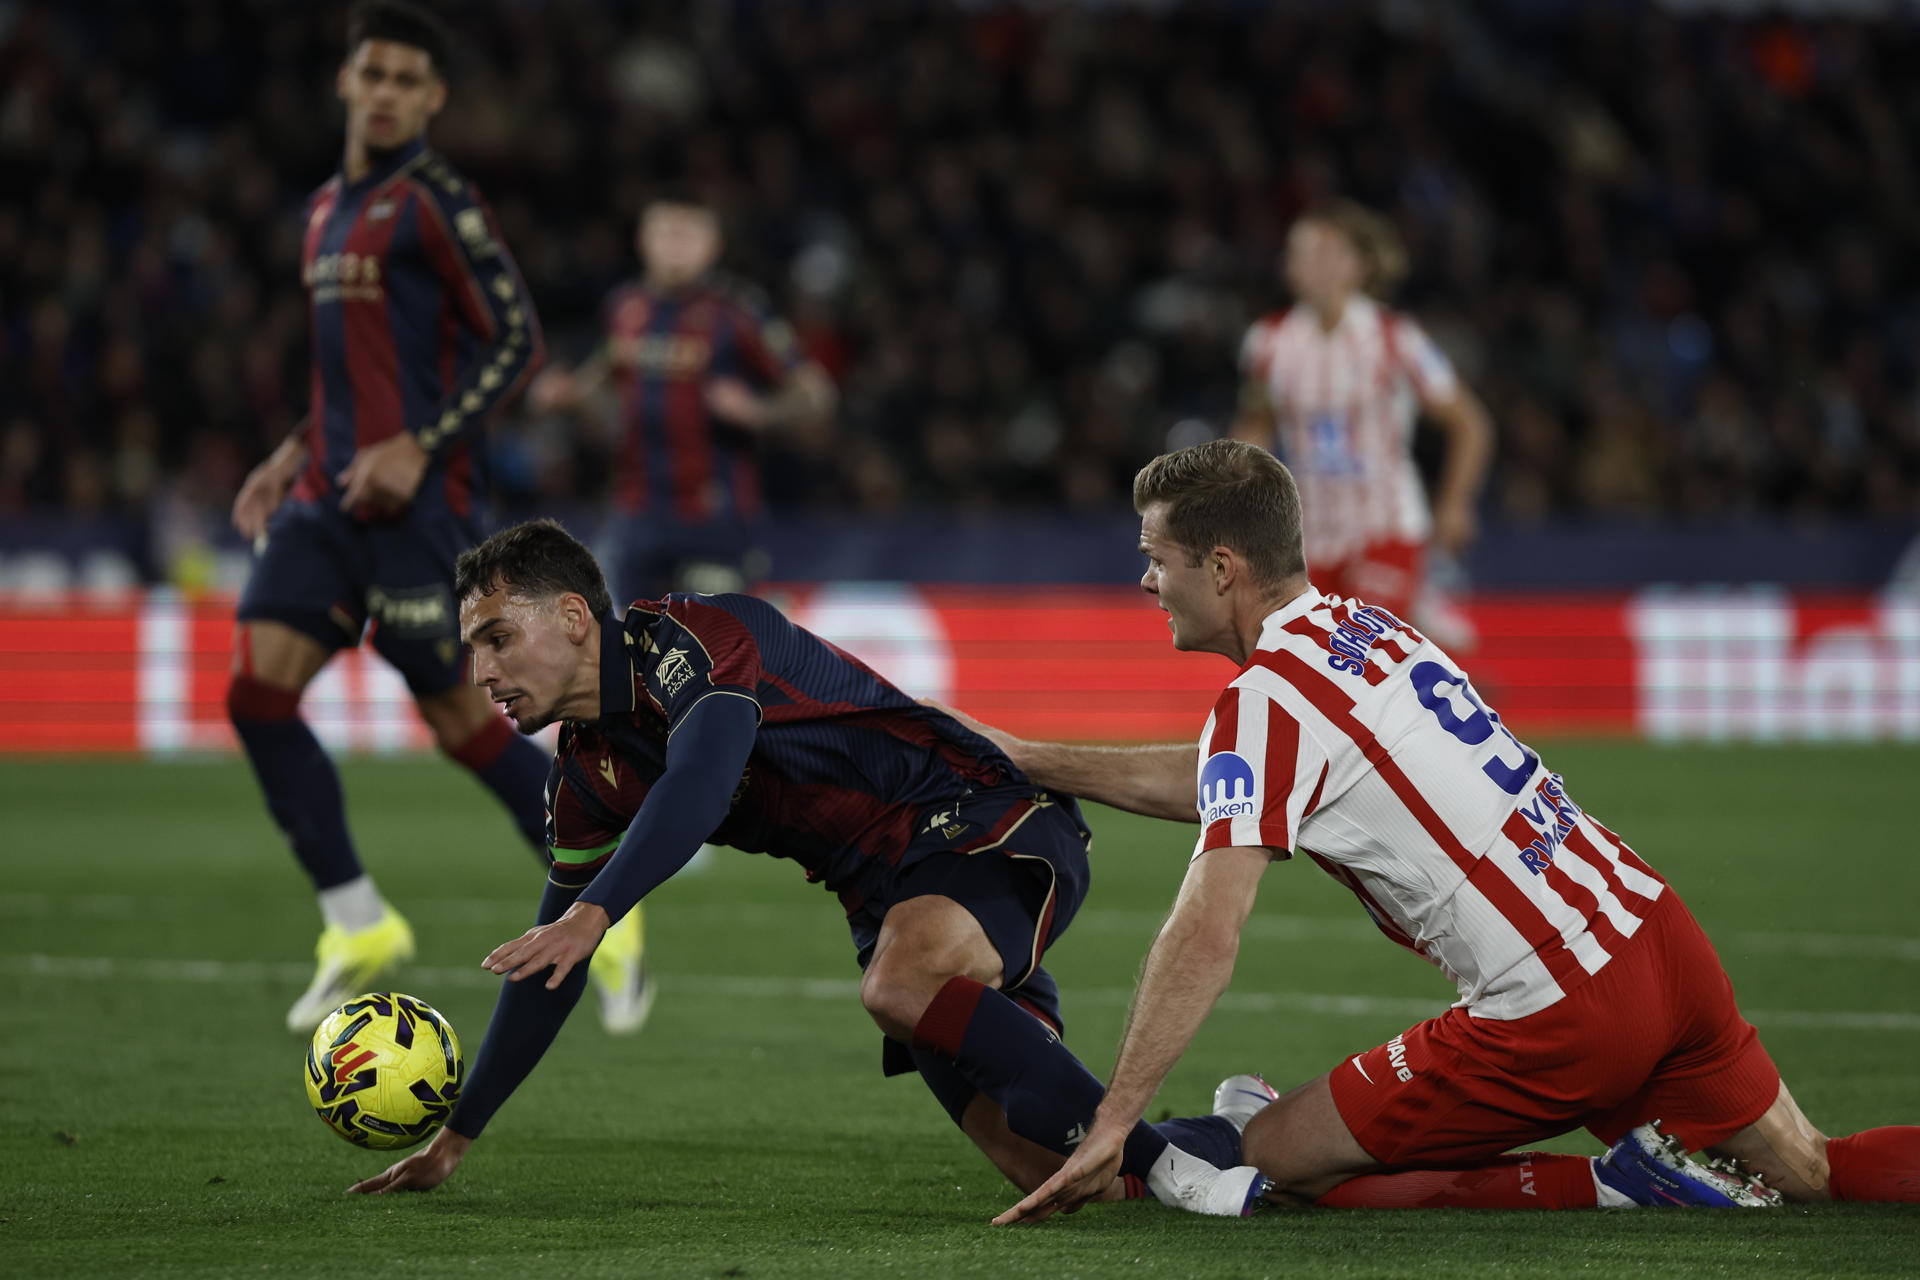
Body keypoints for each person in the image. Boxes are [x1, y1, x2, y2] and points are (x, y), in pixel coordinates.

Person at [985, 439, 1919, 1221]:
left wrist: (1115, 1122)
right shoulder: (1367, 627)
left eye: (1157, 557)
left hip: (1556, 1009)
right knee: (1815, 1169)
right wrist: (1033, 759)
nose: (1147, 580)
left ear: (1222, 568)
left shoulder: (1265, 701)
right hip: (1653, 935)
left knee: (1277, 1158)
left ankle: (1615, 1185)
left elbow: (1206, 932)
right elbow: (1231, 780)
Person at [345, 518, 1265, 1215]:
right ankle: (1236, 1132)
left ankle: (1169, 1168)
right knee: (1049, 1172)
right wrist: (458, 1134)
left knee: (898, 985)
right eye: (472, 648)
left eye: (497, 638)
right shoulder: (586, 774)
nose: (481, 673)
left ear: (575, 617)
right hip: (886, 897)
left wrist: (597, 912)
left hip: (975, 812)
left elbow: (701, 780)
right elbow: (550, 964)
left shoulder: (697, 637)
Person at [225, 1, 649, 1037]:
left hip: (422, 510)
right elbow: (348, 375)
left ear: (434, 99)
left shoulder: (437, 204)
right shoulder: (324, 211)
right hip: (325, 499)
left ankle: (607, 902)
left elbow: (517, 342)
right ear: (346, 81)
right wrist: (288, 454)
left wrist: (420, 443)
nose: (385, 93)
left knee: (462, 722)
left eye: (407, 80)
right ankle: (357, 920)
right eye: (372, 73)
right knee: (256, 694)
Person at [529, 188, 837, 603]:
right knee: (630, 635)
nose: (674, 246)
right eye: (665, 233)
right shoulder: (625, 307)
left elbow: (817, 393)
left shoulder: (737, 311)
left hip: (715, 514)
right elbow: (601, 377)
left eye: (687, 235)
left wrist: (759, 411)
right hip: (636, 511)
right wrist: (564, 395)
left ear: (713, 245)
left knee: (713, 639)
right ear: (643, 240)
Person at [1232, 199, 1493, 629]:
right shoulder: (1267, 342)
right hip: (1306, 537)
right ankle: (1431, 636)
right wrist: (1237, 502)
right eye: (1301, 253)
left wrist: (1455, 503)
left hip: (1385, 527)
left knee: (1362, 644)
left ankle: (1425, 618)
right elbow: (1255, 426)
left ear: (1359, 265)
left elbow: (1469, 423)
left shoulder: (1396, 338)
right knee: (1315, 657)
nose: (1313, 264)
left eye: (1327, 252)